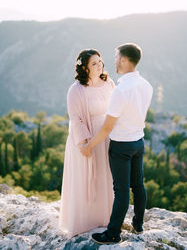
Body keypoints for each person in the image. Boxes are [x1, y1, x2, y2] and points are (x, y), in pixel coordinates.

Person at [81, 43, 153, 245]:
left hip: (121, 146)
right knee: (138, 185)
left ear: (123, 60)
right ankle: (138, 225)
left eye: (115, 57)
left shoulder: (120, 91)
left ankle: (113, 234)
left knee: (121, 191)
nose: (113, 62)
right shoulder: (146, 85)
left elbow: (106, 128)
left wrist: (88, 147)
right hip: (138, 142)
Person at [59, 49, 115, 239]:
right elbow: (76, 118)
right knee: (86, 178)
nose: (99, 65)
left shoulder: (109, 83)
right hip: (86, 139)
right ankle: (84, 220)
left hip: (106, 137)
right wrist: (85, 144)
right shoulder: (76, 89)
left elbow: (115, 109)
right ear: (84, 67)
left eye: (100, 61)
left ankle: (104, 217)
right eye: (94, 63)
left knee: (104, 176)